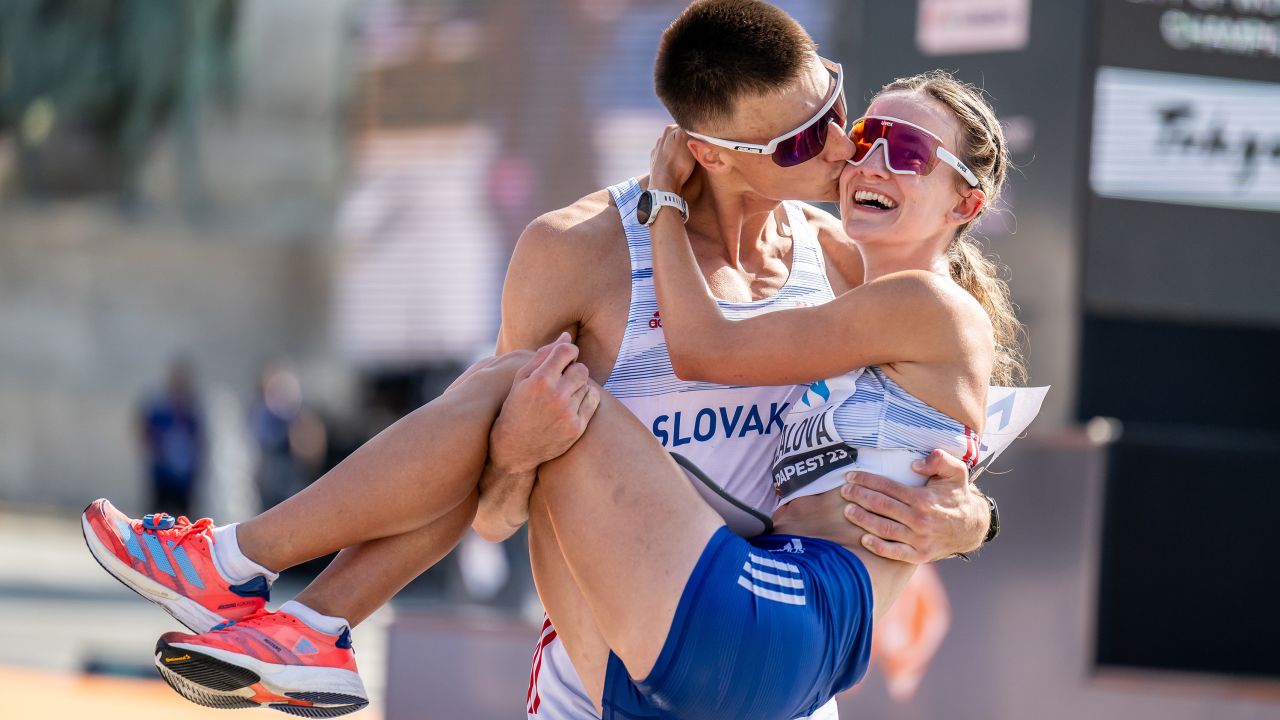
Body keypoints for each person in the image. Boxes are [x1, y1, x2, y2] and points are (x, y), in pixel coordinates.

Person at [83, 1, 997, 716]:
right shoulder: (575, 253)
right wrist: (518, 451)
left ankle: (276, 592)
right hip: (607, 678)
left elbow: (938, 423)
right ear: (712, 154)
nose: (843, 151)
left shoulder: (843, 264)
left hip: (768, 657)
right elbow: (488, 515)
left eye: (840, 112)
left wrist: (971, 520)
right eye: (807, 141)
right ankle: (295, 608)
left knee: (526, 388)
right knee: (529, 397)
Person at [138, 357, 204, 518]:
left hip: (184, 475)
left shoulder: (191, 410)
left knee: (183, 517)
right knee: (156, 516)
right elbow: (146, 431)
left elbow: (198, 440)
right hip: (163, 472)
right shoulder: (160, 408)